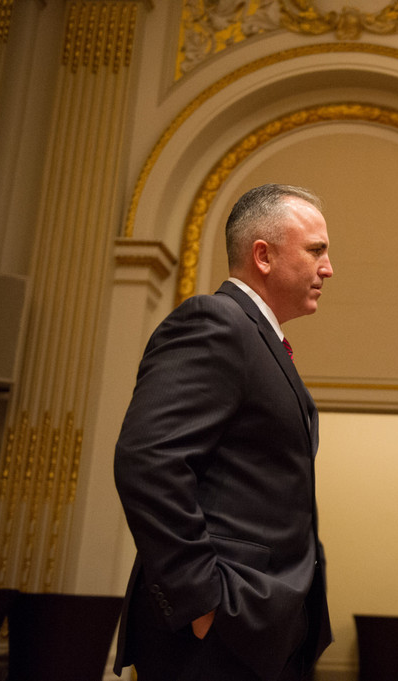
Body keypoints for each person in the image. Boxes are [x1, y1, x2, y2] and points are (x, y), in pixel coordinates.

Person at [113, 184, 334, 681]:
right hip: (219, 630)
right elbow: (148, 460)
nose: (328, 268)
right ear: (264, 255)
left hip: (259, 625)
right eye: (316, 250)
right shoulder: (215, 322)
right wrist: (201, 601)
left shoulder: (258, 335)